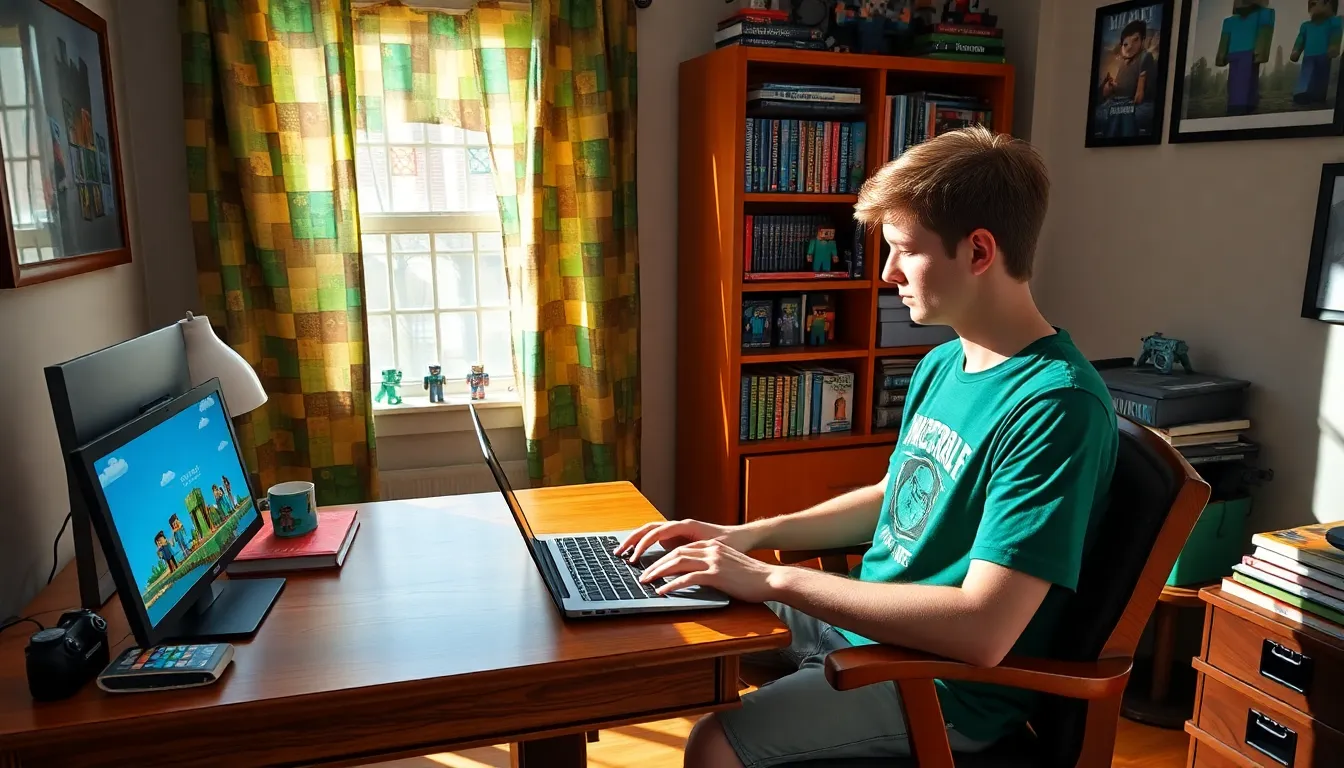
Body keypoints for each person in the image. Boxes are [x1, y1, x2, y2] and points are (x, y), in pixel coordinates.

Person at [615, 125, 1119, 767]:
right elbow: (896, 496)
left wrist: (773, 577)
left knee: (714, 745)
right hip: (868, 625)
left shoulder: (1056, 406)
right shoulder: (946, 363)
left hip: (940, 686)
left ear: (980, 251)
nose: (886, 274)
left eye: (903, 251)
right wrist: (741, 536)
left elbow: (984, 628)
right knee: (676, 611)